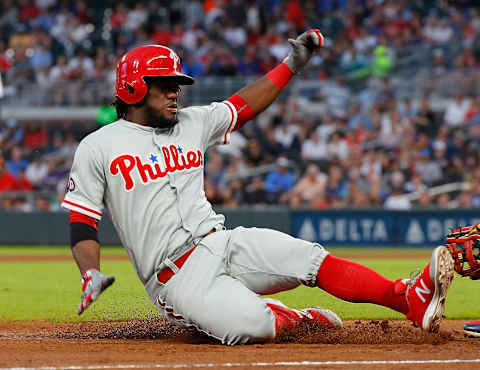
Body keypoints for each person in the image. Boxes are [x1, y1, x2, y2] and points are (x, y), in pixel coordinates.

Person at [62, 31, 454, 345]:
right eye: (164, 84)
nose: (174, 92)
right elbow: (82, 222)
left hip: (222, 241)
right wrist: (90, 272)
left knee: (309, 258)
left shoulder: (193, 122)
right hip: (176, 278)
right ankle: (293, 318)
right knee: (253, 326)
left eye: (176, 84)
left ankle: (408, 298)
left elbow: (242, 105)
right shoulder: (99, 146)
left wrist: (290, 66)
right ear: (133, 88)